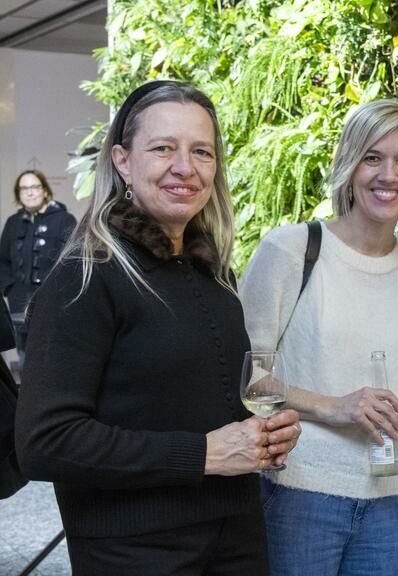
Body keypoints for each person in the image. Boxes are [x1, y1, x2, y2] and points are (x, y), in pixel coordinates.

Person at [14, 80, 301, 575]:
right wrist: (204, 453)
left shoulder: (213, 273)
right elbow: (45, 443)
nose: (185, 167)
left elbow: (196, 399)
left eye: (201, 151)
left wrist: (262, 435)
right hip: (135, 554)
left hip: (236, 539)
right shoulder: (85, 277)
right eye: (163, 148)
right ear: (123, 160)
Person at [240, 99, 398, 576]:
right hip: (298, 493)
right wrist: (332, 405)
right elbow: (248, 375)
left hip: (390, 508)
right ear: (349, 165)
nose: (388, 174)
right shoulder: (292, 251)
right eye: (372, 157)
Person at [0, 169, 76, 361]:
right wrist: (10, 288)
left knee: (53, 359)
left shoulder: (64, 220)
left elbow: (73, 262)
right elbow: (2, 261)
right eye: (24, 188)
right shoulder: (13, 222)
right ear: (18, 194)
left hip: (54, 303)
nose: (30, 192)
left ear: (45, 191)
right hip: (19, 305)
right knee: (25, 359)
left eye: (34, 186)